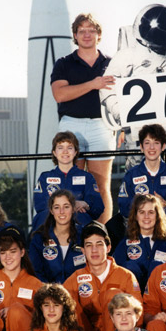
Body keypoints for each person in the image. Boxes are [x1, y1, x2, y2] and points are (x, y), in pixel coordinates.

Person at [98, 4, 166, 175]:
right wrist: (118, 110)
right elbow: (107, 87)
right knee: (139, 184)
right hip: (138, 137)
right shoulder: (126, 57)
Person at [51, 13, 116, 224]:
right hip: (72, 125)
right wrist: (92, 84)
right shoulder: (64, 63)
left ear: (99, 35)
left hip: (103, 125)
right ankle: (73, 234)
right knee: (72, 183)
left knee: (101, 183)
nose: (87, 34)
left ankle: (102, 234)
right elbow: (59, 94)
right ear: (75, 36)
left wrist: (120, 128)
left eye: (91, 30)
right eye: (82, 31)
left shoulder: (113, 63)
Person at [63, 221, 142, 331]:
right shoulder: (76, 278)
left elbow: (139, 316)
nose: (94, 250)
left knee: (113, 295)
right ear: (83, 250)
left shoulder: (125, 276)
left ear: (108, 248)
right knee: (67, 298)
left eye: (99, 244)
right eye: (89, 245)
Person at [117, 124, 166, 230]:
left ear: (163, 146)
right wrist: (141, 205)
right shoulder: (131, 175)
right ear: (141, 147)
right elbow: (123, 208)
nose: (151, 147)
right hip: (140, 231)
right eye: (147, 143)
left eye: (156, 143)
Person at [32, 131, 105, 231]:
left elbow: (98, 206)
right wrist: (70, 206)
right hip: (51, 226)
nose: (65, 151)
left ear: (75, 152)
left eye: (69, 148)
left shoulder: (86, 177)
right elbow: (40, 205)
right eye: (60, 148)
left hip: (79, 226)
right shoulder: (45, 177)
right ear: (54, 152)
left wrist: (85, 204)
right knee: (40, 220)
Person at [112, 193, 166, 288]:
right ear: (135, 216)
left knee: (157, 266)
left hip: (161, 295)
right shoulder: (125, 244)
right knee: (130, 266)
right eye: (142, 212)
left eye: (151, 212)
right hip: (133, 297)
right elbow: (116, 274)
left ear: (157, 216)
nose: (146, 216)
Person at [29, 190, 87, 284]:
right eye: (57, 207)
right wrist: (51, 292)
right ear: (51, 211)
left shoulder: (84, 236)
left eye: (66, 207)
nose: (61, 212)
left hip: (79, 293)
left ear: (73, 209)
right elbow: (35, 272)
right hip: (48, 294)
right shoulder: (39, 238)